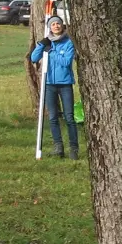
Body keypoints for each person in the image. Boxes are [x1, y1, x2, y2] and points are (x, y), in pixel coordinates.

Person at [29, 15, 79, 159]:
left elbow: (66, 62)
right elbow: (33, 58)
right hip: (49, 84)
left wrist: (51, 52)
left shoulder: (68, 43)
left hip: (65, 84)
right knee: (53, 117)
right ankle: (58, 147)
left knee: (69, 117)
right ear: (50, 27)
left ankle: (73, 148)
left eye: (58, 24)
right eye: (53, 24)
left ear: (62, 26)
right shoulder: (47, 43)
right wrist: (41, 45)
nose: (56, 26)